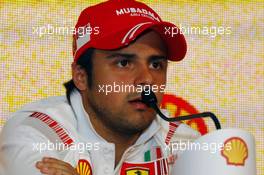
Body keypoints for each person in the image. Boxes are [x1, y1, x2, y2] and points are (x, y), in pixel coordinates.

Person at [0, 0, 200, 174]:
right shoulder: (35, 133)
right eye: (124, 63)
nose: (147, 79)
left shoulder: (184, 144)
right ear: (81, 77)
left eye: (156, 65)